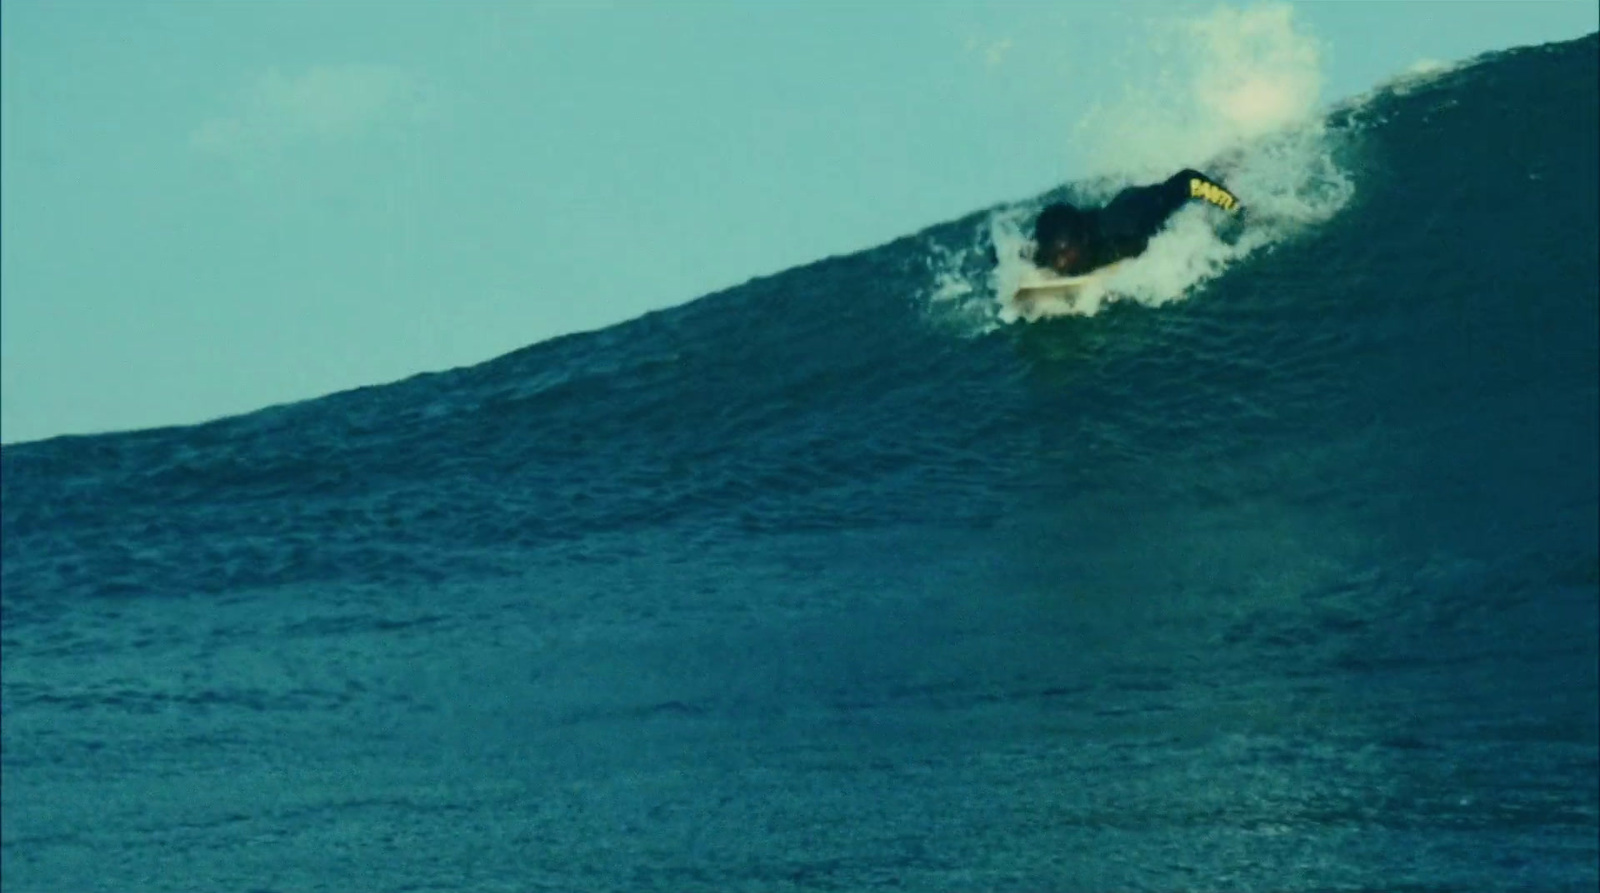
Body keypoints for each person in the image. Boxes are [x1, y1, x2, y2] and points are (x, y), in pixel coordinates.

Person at [1033, 169, 1241, 276]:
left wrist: (1236, 208)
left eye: (1064, 254)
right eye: (1053, 256)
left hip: (1138, 205)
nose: (1059, 264)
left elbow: (1190, 181)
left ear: (1084, 240)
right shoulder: (1053, 250)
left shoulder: (1127, 229)